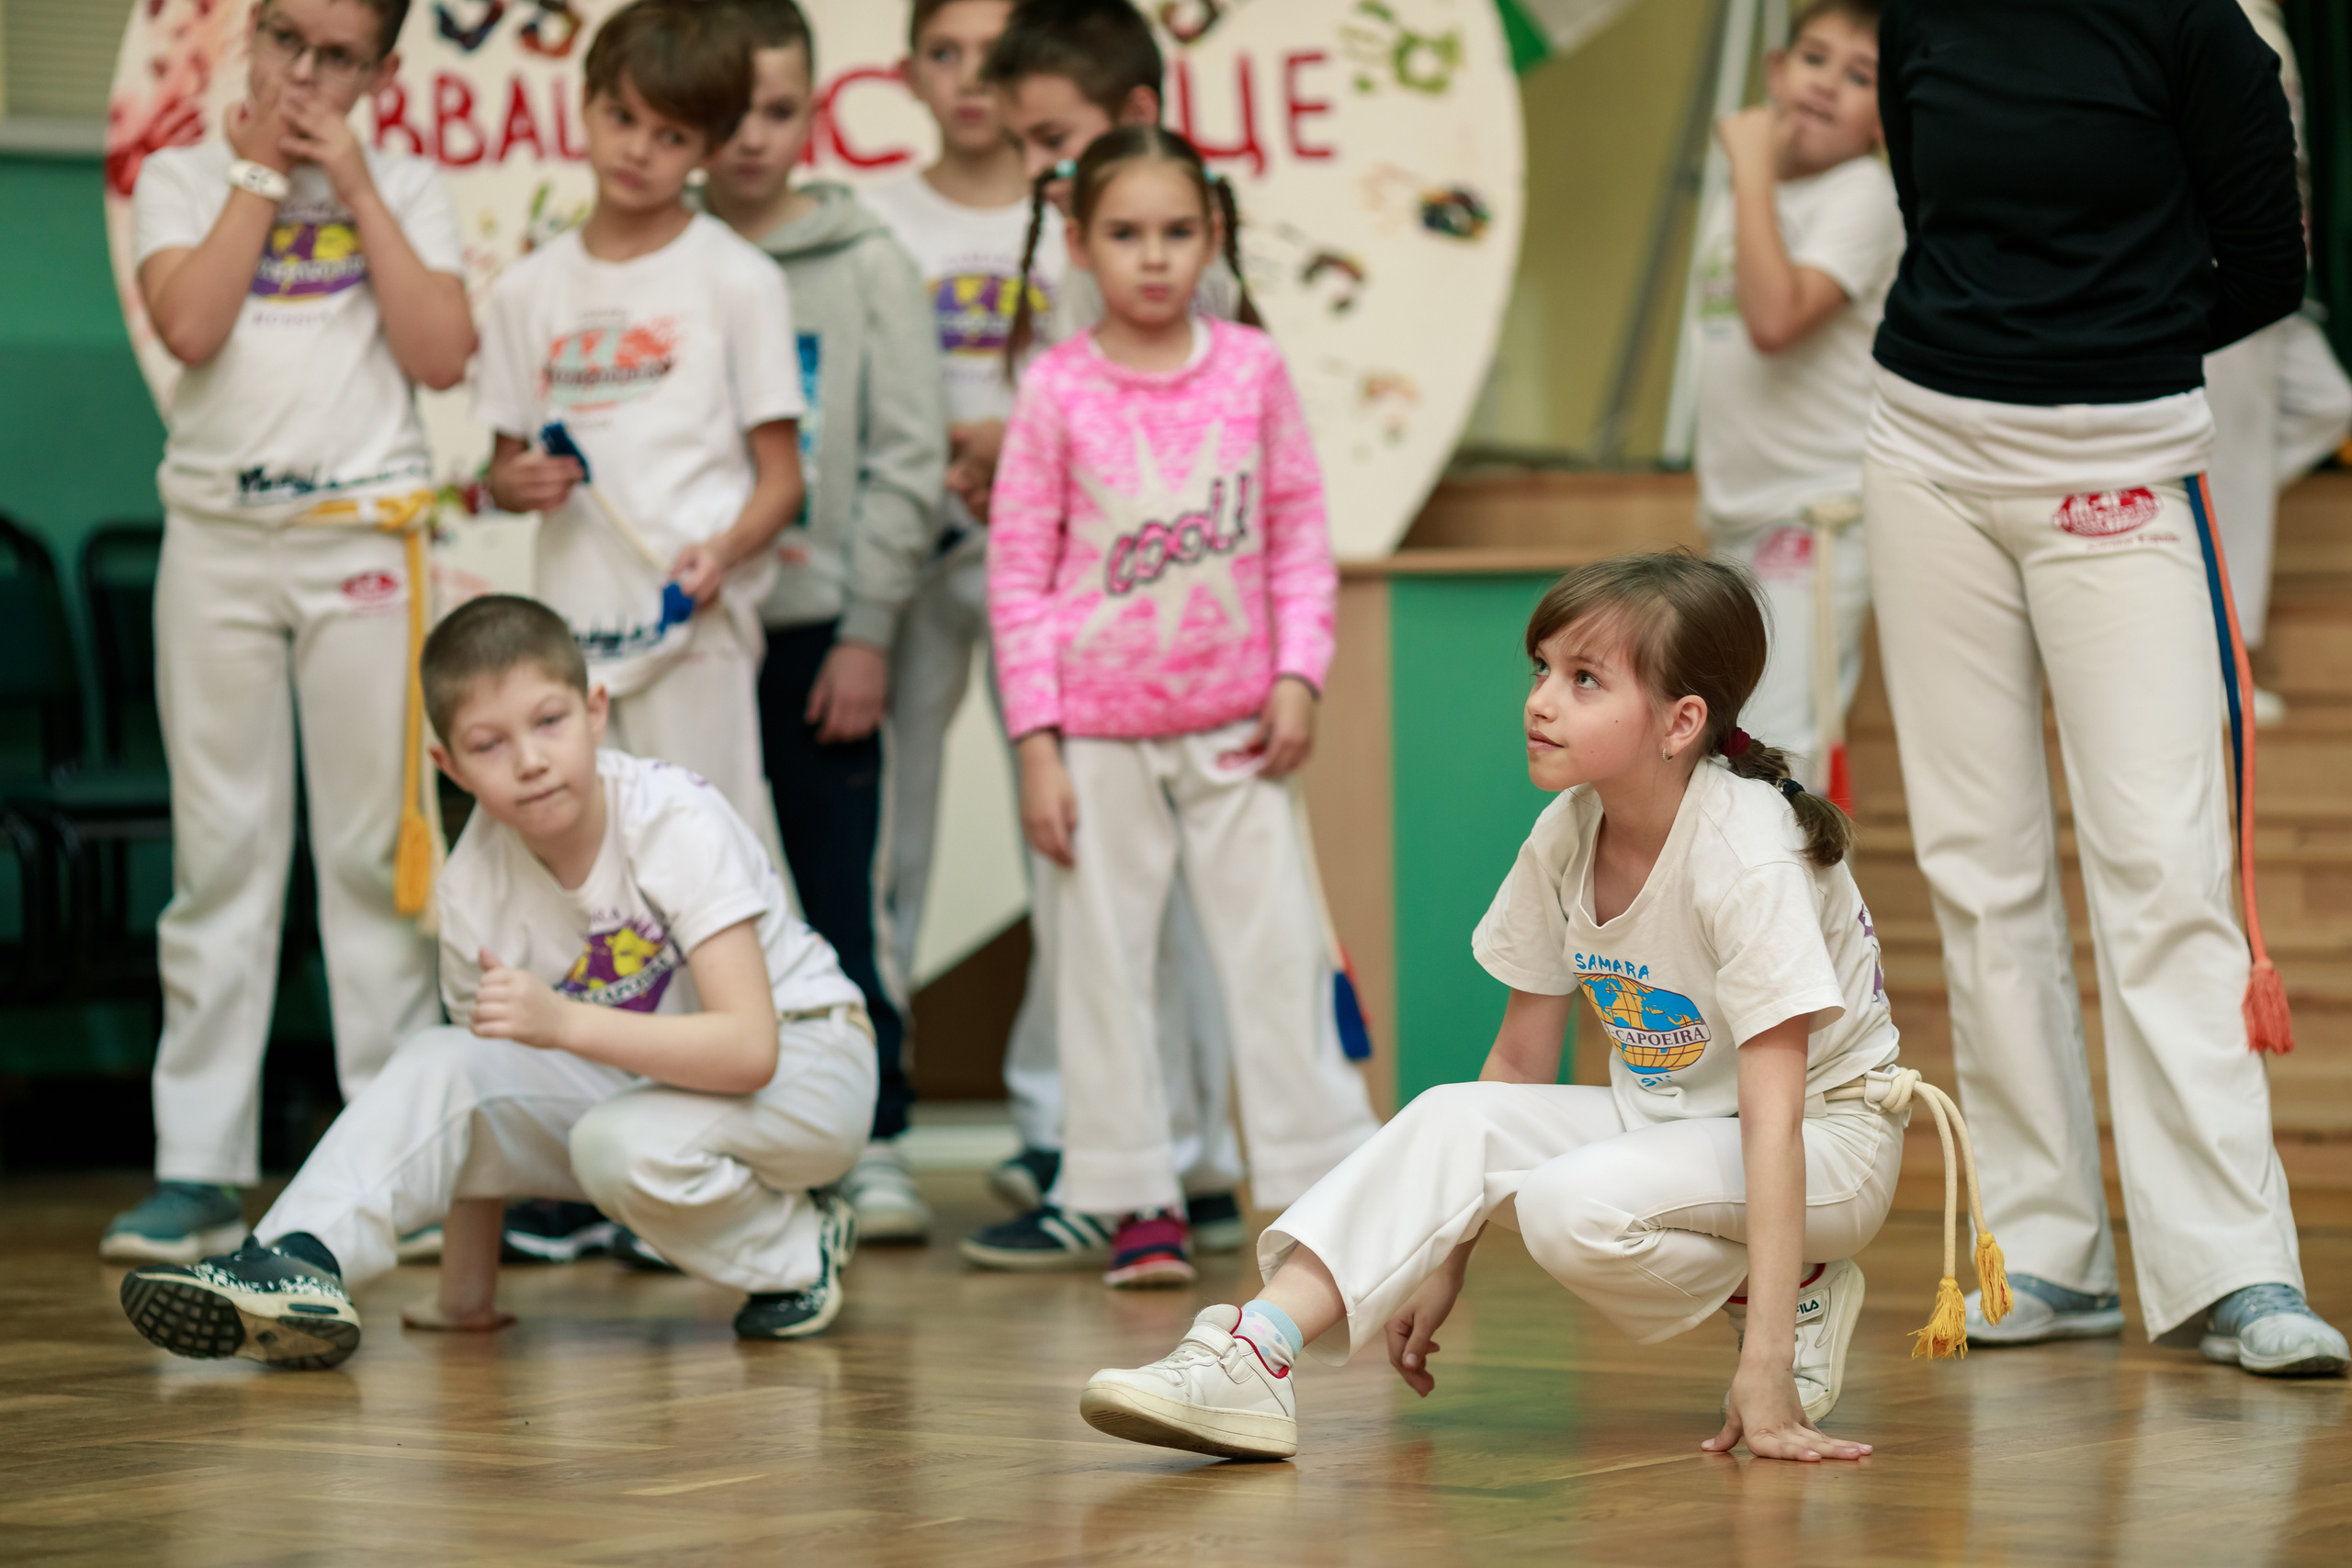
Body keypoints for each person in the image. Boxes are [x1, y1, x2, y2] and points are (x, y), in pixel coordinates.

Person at [1081, 554, 1907, 1462]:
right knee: (1451, 1114)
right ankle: (1253, 1350)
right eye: (1542, 669)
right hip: (1676, 1123)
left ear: (1680, 722)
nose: (1540, 702)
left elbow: (1774, 1118)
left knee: (1567, 1204)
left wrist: (1768, 1362)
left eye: (1584, 680)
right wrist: (1444, 1260)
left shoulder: (1747, 852)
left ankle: (1790, 1292)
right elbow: (1514, 1068)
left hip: (1827, 1144)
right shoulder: (1566, 832)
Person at [1868, 0, 2347, 1373]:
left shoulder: (2199, 31)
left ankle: (2234, 1268)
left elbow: (2265, 266)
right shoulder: (1925, 14)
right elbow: (1927, 209)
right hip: (1924, 450)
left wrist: (2105, 334)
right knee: (1977, 863)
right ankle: (2043, 1253)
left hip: (2123, 461)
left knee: (2161, 864)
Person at [117, 594, 877, 1368]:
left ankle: (797, 1248)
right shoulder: (471, 888)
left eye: (549, 722)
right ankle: (297, 1260)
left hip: (810, 1069)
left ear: (595, 711)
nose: (530, 760)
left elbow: (751, 1050)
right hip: (647, 1091)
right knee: (442, 1057)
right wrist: (465, 1298)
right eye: (489, 743)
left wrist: (564, 1023)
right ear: (448, 764)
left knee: (617, 1144)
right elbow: (472, 1118)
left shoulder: (671, 816)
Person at [102, 0, 471, 1264]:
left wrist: (354, 185)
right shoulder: (179, 174)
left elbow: (443, 353)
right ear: (248, 35)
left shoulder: (405, 184)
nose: (304, 72)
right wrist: (261, 169)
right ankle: (199, 1166)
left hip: (361, 541)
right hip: (216, 544)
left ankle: (388, 1166)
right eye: (284, 39)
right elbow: (191, 327)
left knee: (372, 862)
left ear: (382, 70)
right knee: (220, 861)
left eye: (337, 55)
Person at [981, 127, 1380, 1290]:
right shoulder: (1054, 388)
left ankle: (1328, 1192)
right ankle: (1133, 1197)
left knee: (1278, 955)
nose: (1151, 257)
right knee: (1105, 965)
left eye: (1174, 232)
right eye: (1124, 234)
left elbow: (1299, 537)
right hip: (1094, 735)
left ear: (1210, 238)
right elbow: (1017, 576)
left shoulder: (1251, 368)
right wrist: (1037, 746)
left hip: (1239, 729)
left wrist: (1299, 674)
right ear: (1078, 243)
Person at [955, 0, 1256, 1267]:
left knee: (1167, 925)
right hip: (1088, 654)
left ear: (1135, 115)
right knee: (1113, 920)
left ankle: (1166, 1164)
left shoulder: (1186, 290)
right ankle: (1155, 1164)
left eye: (1052, 140)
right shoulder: (1083, 268)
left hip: (1165, 661)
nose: (1036, 167)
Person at [702, 0, 949, 1244]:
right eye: (730, 111)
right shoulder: (660, 252)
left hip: (817, 633)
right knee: (687, 899)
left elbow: (907, 458)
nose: (754, 136)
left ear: (815, 110)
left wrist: (866, 629)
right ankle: (700, 1143)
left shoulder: (866, 263)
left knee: (842, 892)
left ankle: (879, 1133)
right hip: (686, 636)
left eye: (781, 110)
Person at [476, 0, 804, 872]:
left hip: (695, 629)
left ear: (710, 148)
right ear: (583, 104)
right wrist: (519, 483)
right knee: (588, 871)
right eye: (621, 117)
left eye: (671, 135)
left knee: (713, 865)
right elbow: (502, 470)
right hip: (568, 645)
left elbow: (783, 480)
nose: (637, 150)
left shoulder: (741, 279)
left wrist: (721, 551)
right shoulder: (525, 291)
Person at [860, 0, 1073, 1206]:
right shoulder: (877, 216)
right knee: (888, 839)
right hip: (914, 546)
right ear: (910, 73)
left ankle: (1058, 1123)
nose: (971, 80)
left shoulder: (1075, 211)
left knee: (1064, 834)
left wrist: (1018, 448)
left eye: (995, 57)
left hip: (1051, 559)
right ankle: (870, 1120)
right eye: (945, 54)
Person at [1694, 0, 1902, 778]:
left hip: (1814, 519)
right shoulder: (1743, 199)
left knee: (1771, 759)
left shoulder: (1863, 193)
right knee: (1725, 756)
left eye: (1859, 76)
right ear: (1776, 72)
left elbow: (1775, 320)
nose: (1825, 84)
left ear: (1886, 116)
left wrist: (1751, 169)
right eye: (1813, 59)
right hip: (1737, 517)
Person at [2204, 0, 2352, 727]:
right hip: (2224, 267)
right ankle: (2222, 669)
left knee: (2331, 403)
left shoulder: (2268, 21)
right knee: (2232, 474)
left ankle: (2175, 493)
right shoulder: (2207, 20)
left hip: (2276, 274)